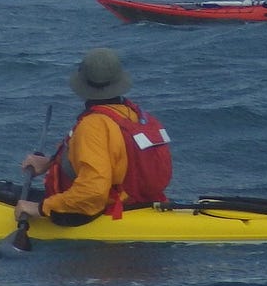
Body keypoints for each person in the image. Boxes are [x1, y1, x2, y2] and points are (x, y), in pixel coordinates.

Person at [14, 48, 172, 225]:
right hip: (140, 203)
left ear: (83, 85)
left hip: (96, 213)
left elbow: (93, 192)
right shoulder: (136, 115)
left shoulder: (93, 126)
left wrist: (41, 208)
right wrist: (50, 163)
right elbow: (116, 158)